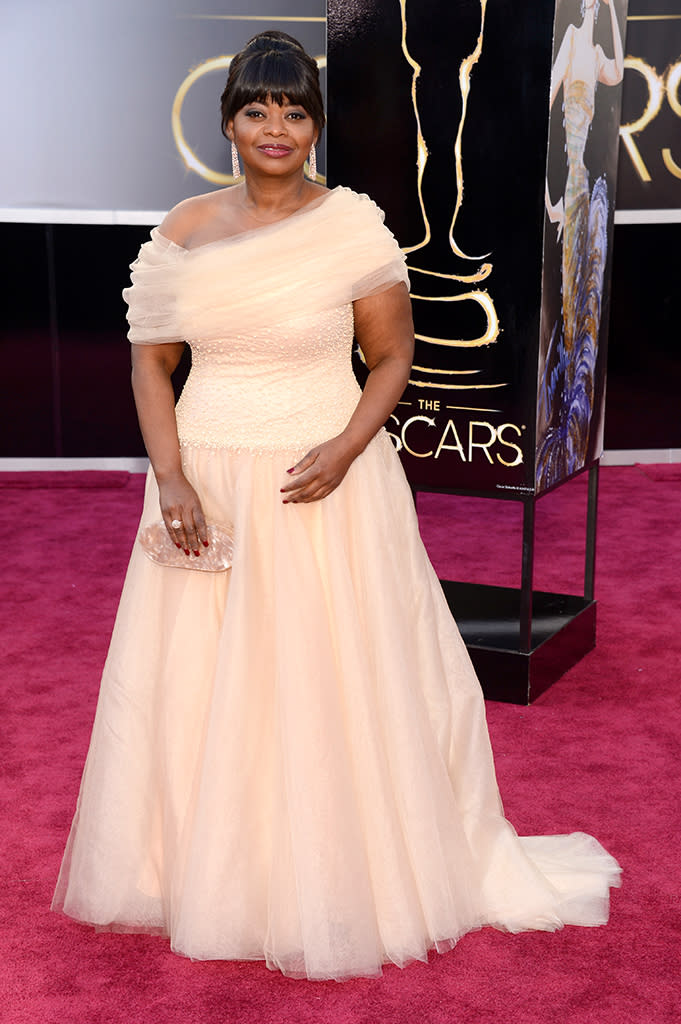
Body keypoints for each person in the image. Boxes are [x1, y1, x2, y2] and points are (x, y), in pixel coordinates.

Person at [53, 31, 621, 981]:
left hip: (327, 478)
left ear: (316, 124)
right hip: (210, 481)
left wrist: (348, 447)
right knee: (199, 677)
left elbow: (392, 356)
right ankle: (208, 866)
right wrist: (172, 478)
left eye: (295, 110)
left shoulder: (355, 226)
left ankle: (336, 868)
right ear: (227, 122)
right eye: (256, 110)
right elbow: (151, 366)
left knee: (331, 675)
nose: (276, 128)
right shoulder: (182, 231)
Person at [537, 0, 624, 488]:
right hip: (569, 170)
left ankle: (573, 394)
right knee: (571, 289)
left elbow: (613, 73)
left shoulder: (594, 50)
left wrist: (613, 11)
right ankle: (561, 402)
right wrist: (550, 197)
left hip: (581, 173)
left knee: (584, 285)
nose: (591, 7)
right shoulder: (570, 42)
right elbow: (546, 100)